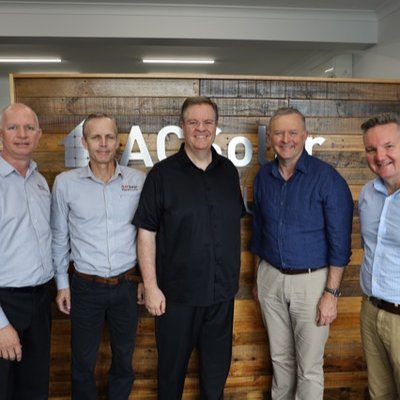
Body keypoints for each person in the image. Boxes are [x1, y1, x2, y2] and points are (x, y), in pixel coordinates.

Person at [133, 96, 245, 400]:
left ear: (216, 126)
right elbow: (146, 233)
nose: (201, 128)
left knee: (215, 378)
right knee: (171, 378)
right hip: (176, 298)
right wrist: (151, 286)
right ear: (182, 126)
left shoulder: (228, 171)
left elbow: (231, 225)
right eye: (193, 122)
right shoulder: (162, 175)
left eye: (207, 122)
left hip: (221, 295)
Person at [250, 107, 353, 400]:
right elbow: (258, 233)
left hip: (313, 283)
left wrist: (331, 294)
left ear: (305, 135)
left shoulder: (328, 179)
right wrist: (257, 278)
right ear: (270, 137)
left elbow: (340, 245)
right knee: (280, 360)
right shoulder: (263, 177)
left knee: (309, 368)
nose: (286, 139)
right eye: (279, 133)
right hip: (270, 278)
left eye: (293, 132)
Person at [51, 113, 146, 400]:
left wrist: (145, 279)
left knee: (124, 360)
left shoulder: (138, 180)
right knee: (82, 362)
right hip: (84, 287)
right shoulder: (65, 183)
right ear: (84, 142)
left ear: (117, 141)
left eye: (109, 137)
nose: (103, 144)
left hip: (127, 286)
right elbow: (59, 236)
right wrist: (62, 285)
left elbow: (146, 234)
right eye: (96, 137)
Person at [0, 103, 53, 400]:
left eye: (29, 128)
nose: (22, 134)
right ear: (1, 134)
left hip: (40, 301)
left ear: (39, 135)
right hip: (5, 304)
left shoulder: (39, 181)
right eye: (13, 128)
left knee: (34, 387)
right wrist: (1, 325)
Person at [359, 112, 400, 400]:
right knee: (380, 394)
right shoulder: (367, 194)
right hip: (371, 311)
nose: (380, 156)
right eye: (371, 149)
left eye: (389, 146)